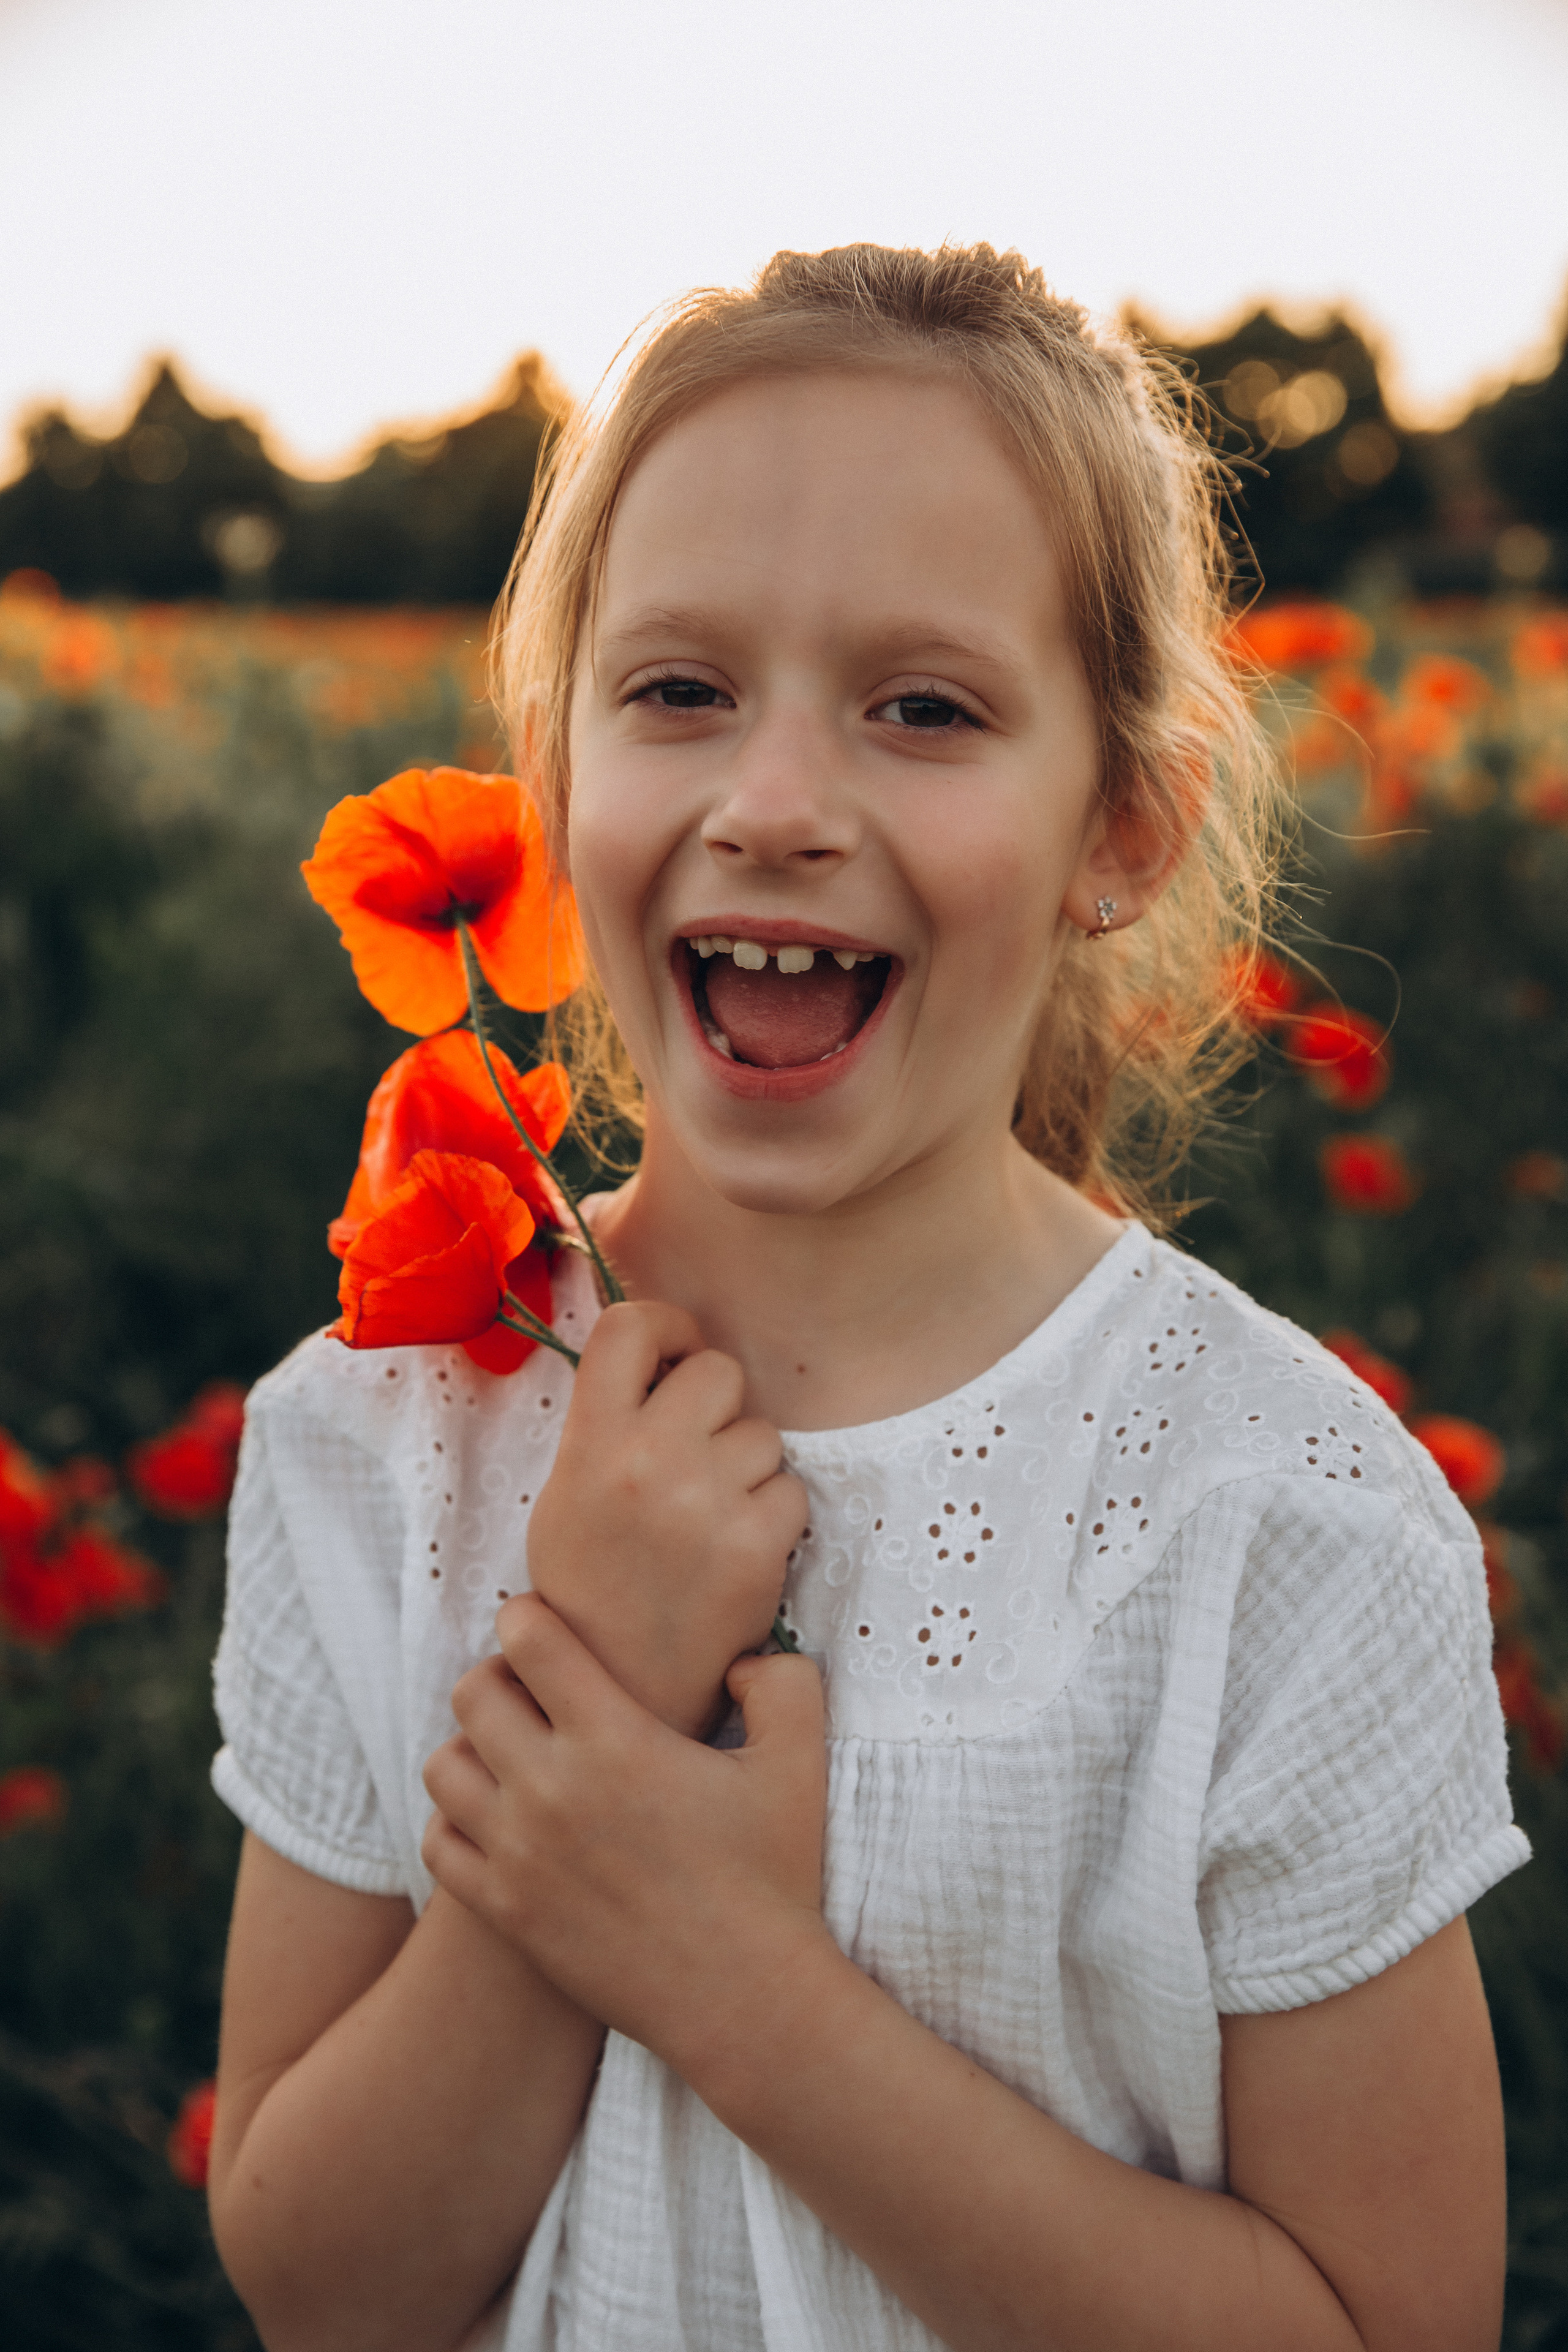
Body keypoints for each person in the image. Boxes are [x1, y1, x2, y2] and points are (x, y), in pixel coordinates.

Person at [204, 244, 1525, 2352]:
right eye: (678, 691)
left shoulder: (1283, 1521)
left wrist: (725, 1976)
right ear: (556, 786)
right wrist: (603, 1672)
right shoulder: (376, 1440)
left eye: (923, 708)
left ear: (1124, 823)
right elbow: (321, 2290)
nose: (776, 805)